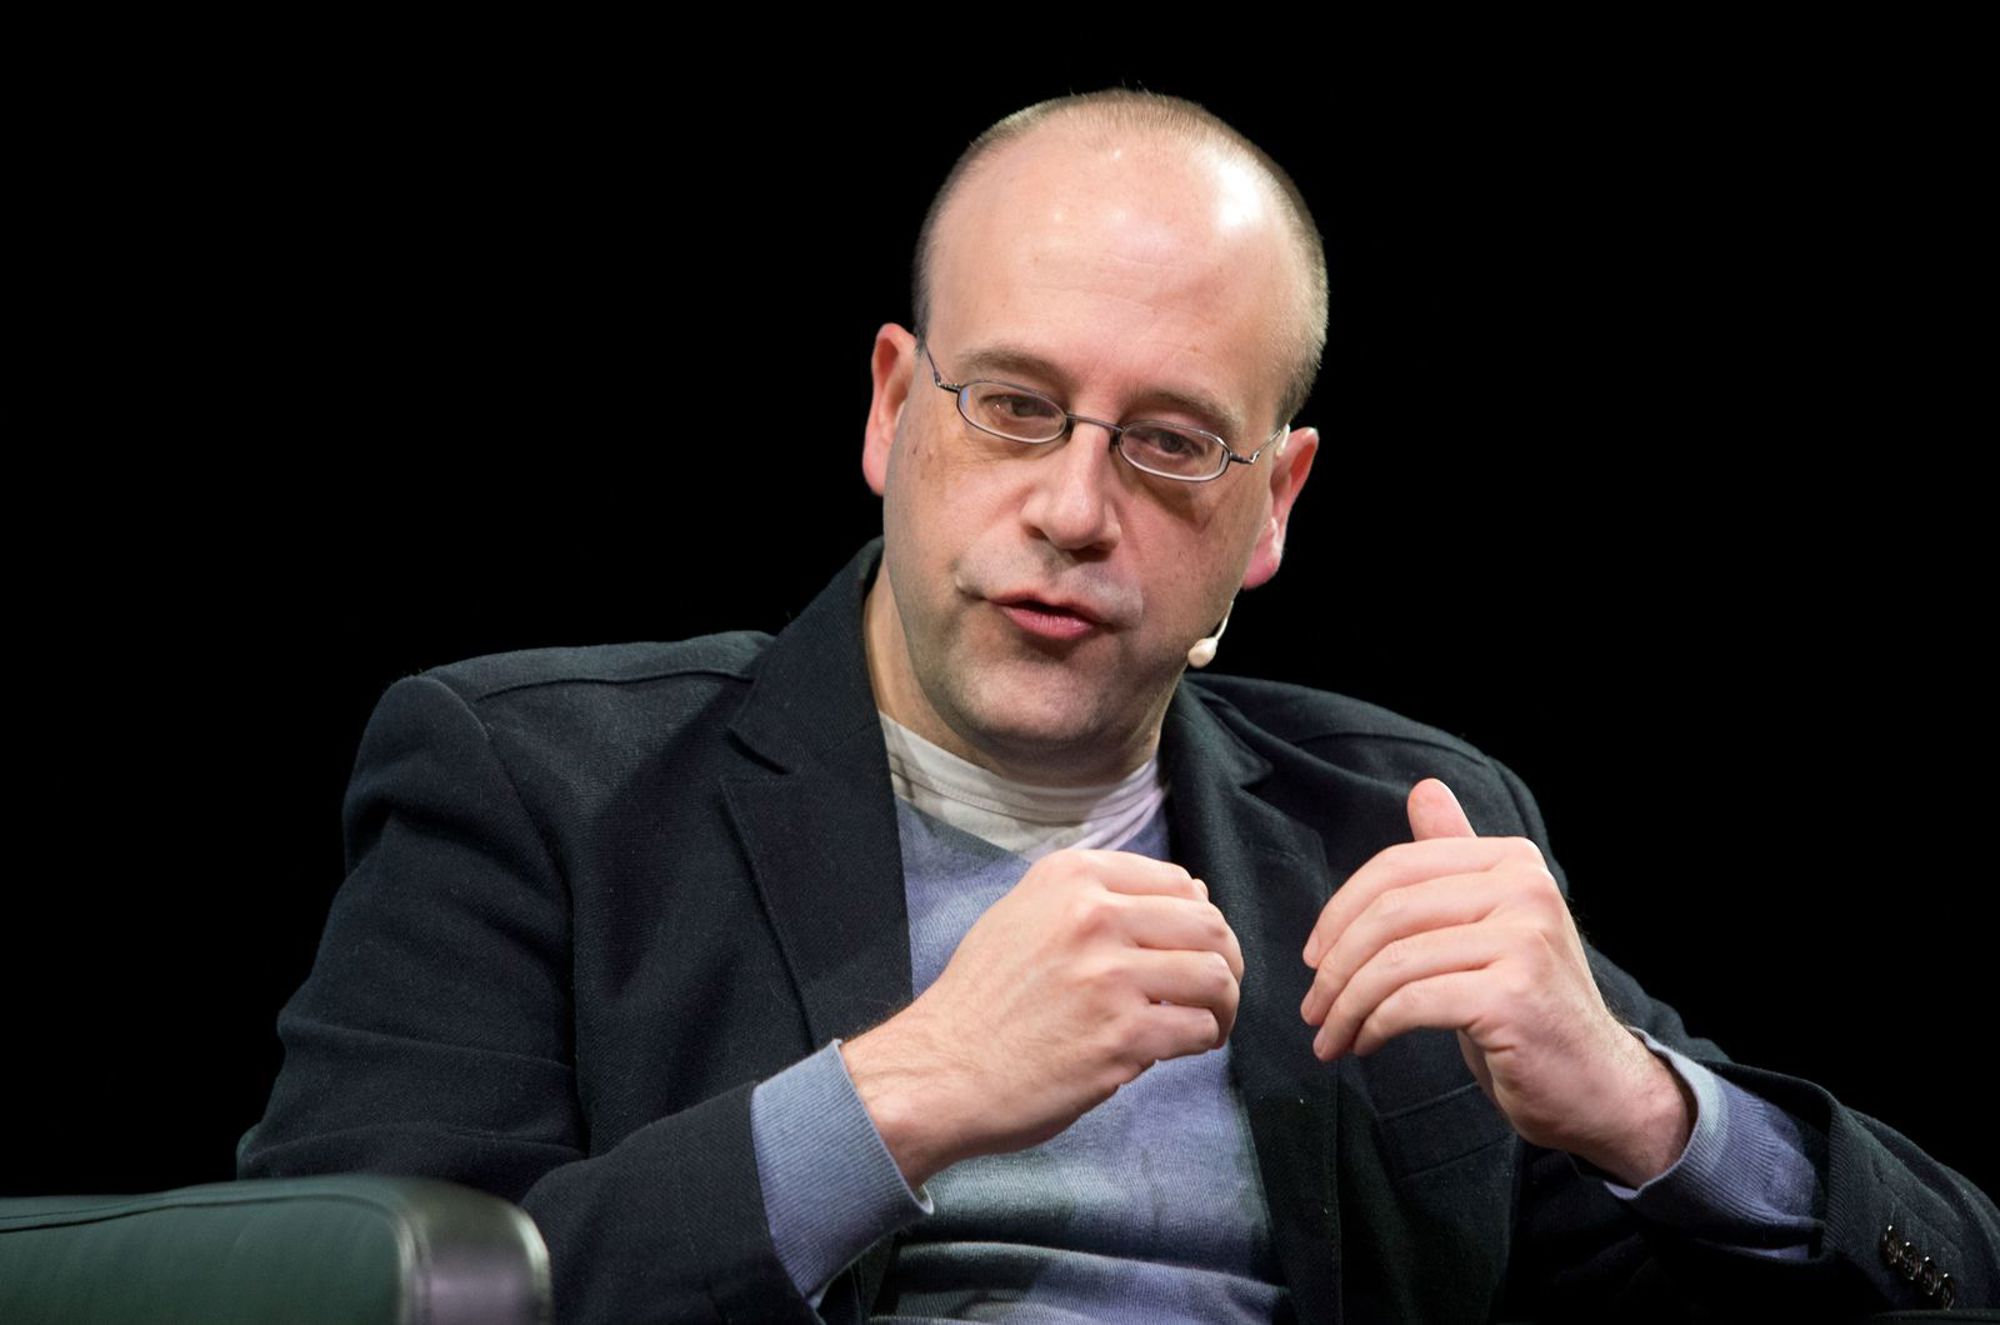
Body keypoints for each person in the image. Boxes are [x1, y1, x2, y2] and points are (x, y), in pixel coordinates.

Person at [240, 90, 1997, 1322]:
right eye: (1015, 406)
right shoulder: (539, 783)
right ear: (892, 408)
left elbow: (1950, 1272)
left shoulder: (1395, 830)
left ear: (1274, 505)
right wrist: (906, 1090)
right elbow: (345, 1291)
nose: (1076, 509)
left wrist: (1644, 1107)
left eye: (1168, 443)